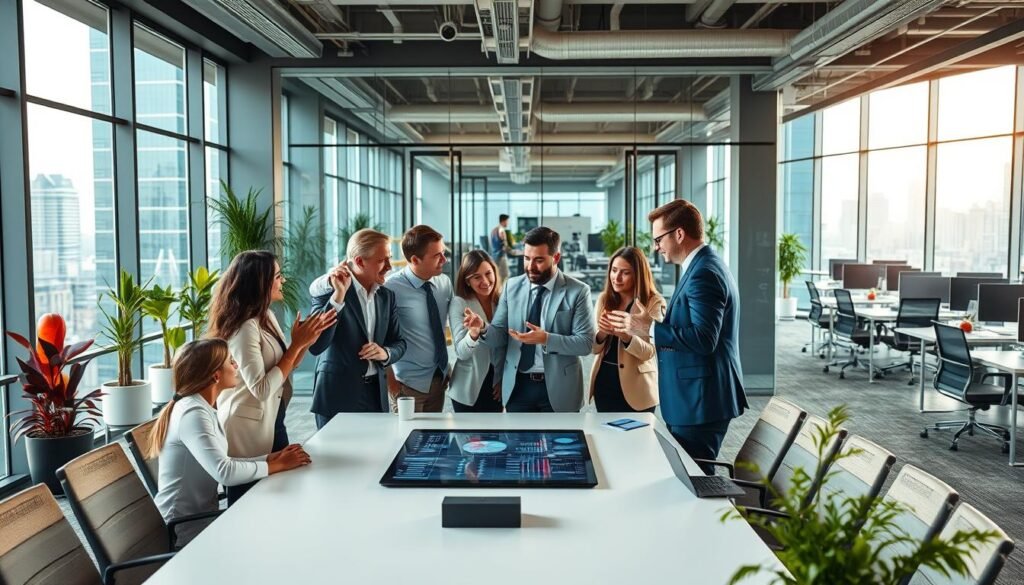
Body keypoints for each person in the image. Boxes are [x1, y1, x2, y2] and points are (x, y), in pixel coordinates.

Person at [607, 200, 747, 472]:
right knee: (686, 474)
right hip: (694, 399)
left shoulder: (703, 273)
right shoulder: (703, 266)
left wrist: (648, 327)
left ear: (679, 234)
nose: (656, 247)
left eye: (659, 239)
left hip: (700, 401)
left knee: (694, 478)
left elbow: (704, 339)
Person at [149, 339, 311, 545]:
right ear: (216, 375)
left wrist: (271, 457)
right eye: (231, 362)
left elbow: (224, 461)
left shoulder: (200, 407)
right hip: (185, 531)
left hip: (202, 521)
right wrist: (275, 465)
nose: (236, 366)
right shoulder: (193, 414)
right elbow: (224, 472)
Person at [207, 251, 334, 503]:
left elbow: (285, 368)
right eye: (277, 276)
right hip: (247, 425)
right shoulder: (244, 328)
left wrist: (304, 343)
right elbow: (261, 389)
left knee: (281, 493)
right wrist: (296, 345)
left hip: (274, 416)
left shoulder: (266, 316)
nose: (282, 280)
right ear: (260, 283)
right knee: (249, 501)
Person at [463, 227, 596, 412]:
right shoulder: (512, 286)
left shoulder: (578, 291)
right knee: (517, 440)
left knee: (561, 441)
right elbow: (500, 336)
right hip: (518, 386)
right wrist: (483, 327)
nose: (530, 266)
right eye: (527, 258)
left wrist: (546, 339)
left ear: (556, 258)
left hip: (560, 387)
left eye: (539, 260)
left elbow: (586, 344)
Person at [306, 229, 407, 429]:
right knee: (336, 460)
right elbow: (316, 346)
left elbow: (400, 342)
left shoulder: (387, 296)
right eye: (382, 260)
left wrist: (384, 353)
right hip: (337, 399)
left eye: (390, 259)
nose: (389, 266)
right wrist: (338, 298)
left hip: (376, 398)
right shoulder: (329, 292)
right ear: (360, 261)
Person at [590, 246, 665, 413]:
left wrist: (626, 337)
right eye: (614, 270)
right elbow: (594, 349)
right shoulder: (604, 299)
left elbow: (649, 352)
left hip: (638, 388)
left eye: (625, 272)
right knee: (606, 437)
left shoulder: (654, 302)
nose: (616, 277)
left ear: (637, 275)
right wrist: (602, 333)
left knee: (639, 438)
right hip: (605, 383)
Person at [448, 250, 504, 412]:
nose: (485, 281)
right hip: (467, 387)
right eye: (477, 277)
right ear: (467, 281)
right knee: (467, 437)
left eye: (488, 273)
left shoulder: (502, 301)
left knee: (495, 435)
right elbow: (461, 352)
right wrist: (473, 334)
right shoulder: (459, 303)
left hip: (497, 386)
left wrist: (502, 379)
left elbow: (506, 344)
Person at [490, 214, 511, 280]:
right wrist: (511, 250)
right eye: (507, 221)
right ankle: (502, 290)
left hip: (494, 256)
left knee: (497, 274)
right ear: (503, 221)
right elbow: (505, 246)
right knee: (506, 275)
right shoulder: (502, 230)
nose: (508, 223)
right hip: (501, 256)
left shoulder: (493, 230)